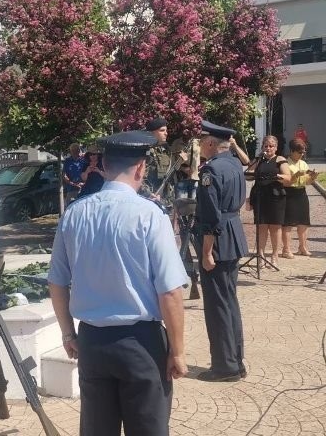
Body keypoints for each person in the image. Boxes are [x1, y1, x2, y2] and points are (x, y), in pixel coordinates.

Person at [49, 130, 188, 436]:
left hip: (93, 342)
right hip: (141, 343)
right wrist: (177, 351)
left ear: (104, 166)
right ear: (141, 168)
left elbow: (57, 283)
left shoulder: (74, 213)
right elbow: (170, 291)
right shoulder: (151, 215)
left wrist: (68, 333)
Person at [195, 120, 249, 382]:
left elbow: (210, 217)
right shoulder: (234, 164)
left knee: (217, 306)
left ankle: (224, 366)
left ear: (211, 143)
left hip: (218, 240)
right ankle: (236, 360)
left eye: (201, 142)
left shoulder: (211, 171)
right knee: (229, 301)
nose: (200, 147)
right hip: (233, 233)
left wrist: (206, 252)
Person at [247, 135, 292, 267]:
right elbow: (248, 175)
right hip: (260, 196)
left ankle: (274, 255)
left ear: (276, 147)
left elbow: (288, 178)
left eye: (271, 146)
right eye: (266, 145)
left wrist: (277, 176)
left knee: (275, 227)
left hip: (275, 196)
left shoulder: (280, 160)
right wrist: (251, 171)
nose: (268, 148)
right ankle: (260, 255)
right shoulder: (258, 159)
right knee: (261, 226)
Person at [282, 138, 317, 258]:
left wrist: (312, 177)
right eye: (299, 152)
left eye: (303, 152)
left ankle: (303, 247)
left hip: (301, 193)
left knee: (303, 222)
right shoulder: (286, 163)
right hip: (289, 193)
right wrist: (295, 176)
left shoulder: (303, 163)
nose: (302, 155)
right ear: (292, 151)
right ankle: (286, 249)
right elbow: (284, 181)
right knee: (288, 223)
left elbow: (307, 182)